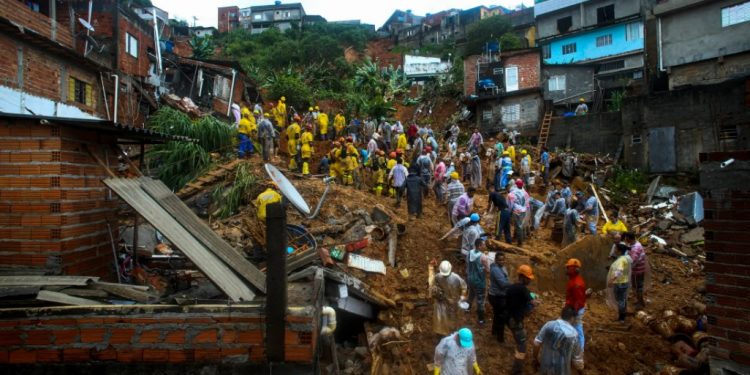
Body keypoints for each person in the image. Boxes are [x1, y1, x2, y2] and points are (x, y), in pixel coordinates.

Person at [532, 306, 585, 375]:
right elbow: (577, 360)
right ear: (572, 318)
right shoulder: (574, 335)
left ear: (561, 314)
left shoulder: (549, 325)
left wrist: (535, 358)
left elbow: (536, 343)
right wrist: (581, 372)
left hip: (545, 368)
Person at [506, 265, 537, 375]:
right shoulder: (523, 289)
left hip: (509, 318)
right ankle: (517, 370)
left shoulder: (511, 287)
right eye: (528, 278)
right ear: (522, 277)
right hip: (516, 320)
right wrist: (535, 302)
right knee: (522, 345)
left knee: (519, 339)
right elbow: (533, 302)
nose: (529, 280)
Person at [431, 260, 468, 336]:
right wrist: (437, 292)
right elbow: (434, 286)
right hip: (443, 300)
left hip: (454, 301)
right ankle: (444, 332)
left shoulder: (456, 278)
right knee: (442, 317)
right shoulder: (438, 276)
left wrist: (462, 297)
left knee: (453, 317)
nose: (445, 276)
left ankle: (452, 332)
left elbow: (464, 287)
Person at [466, 238, 491, 325]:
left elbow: (467, 264)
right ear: (479, 246)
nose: (484, 246)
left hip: (470, 278)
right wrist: (484, 267)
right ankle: (481, 319)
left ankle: (467, 308)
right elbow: (488, 270)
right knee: (480, 299)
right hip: (479, 281)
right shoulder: (483, 257)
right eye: (483, 244)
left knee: (471, 293)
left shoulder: (470, 253)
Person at [564, 258, 586, 353]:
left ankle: (579, 351)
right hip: (573, 307)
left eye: (568, 268)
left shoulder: (577, 283)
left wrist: (574, 312)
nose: (567, 270)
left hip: (576, 309)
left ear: (574, 269)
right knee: (574, 328)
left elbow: (578, 300)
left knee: (578, 329)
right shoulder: (573, 280)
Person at [488, 252, 511, 343]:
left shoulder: (502, 267)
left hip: (499, 295)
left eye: (503, 259)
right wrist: (512, 285)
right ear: (496, 260)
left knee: (497, 315)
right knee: (501, 317)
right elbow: (503, 284)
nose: (502, 261)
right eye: (500, 260)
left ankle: (494, 332)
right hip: (496, 296)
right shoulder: (495, 270)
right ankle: (500, 338)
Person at [607, 243, 632, 323]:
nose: (615, 250)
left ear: (619, 250)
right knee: (623, 299)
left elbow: (619, 271)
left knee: (620, 300)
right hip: (624, 281)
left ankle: (621, 318)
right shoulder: (626, 258)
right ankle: (623, 315)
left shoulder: (621, 260)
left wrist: (612, 279)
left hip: (620, 282)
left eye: (616, 249)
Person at [623, 232, 648, 309]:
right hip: (639, 269)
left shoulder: (635, 249)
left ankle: (640, 303)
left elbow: (632, 261)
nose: (625, 240)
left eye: (626, 239)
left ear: (630, 239)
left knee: (637, 287)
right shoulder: (636, 244)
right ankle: (640, 301)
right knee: (637, 286)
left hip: (637, 270)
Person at [508, 180, 530, 246]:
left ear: (516, 185)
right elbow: (527, 203)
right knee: (520, 224)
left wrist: (509, 211)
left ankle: (520, 242)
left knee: (518, 226)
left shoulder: (513, 193)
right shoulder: (525, 193)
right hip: (524, 211)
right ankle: (517, 238)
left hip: (516, 210)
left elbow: (510, 204)